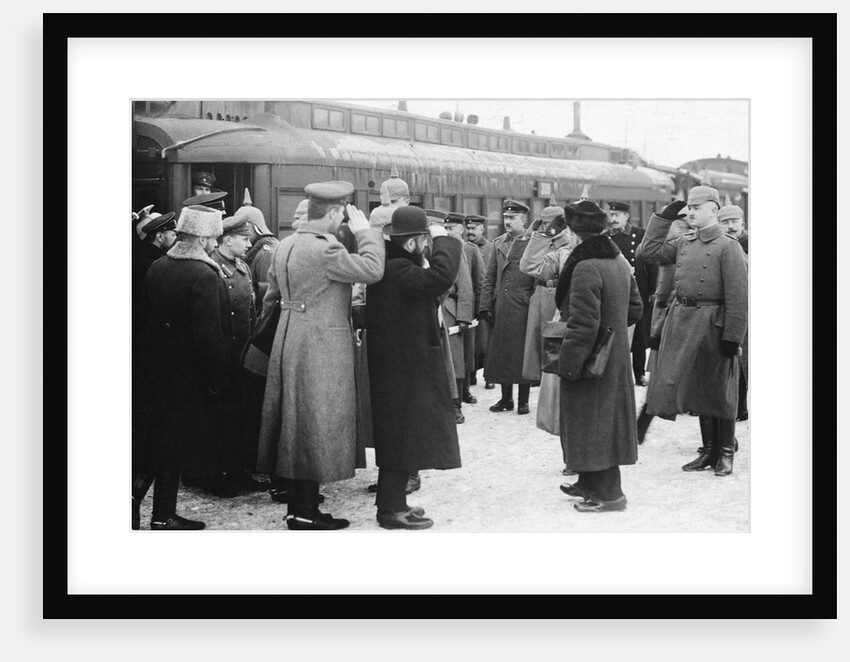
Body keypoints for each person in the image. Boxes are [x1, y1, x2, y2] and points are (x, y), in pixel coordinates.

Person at [256, 181, 384, 530]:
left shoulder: (286, 244)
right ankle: (304, 512)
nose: (343, 218)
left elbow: (271, 299)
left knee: (294, 424)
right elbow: (372, 270)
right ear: (331, 212)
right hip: (320, 346)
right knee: (314, 423)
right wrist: (367, 232)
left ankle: (300, 506)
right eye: (342, 212)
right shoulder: (325, 249)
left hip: (288, 337)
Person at [636, 187, 748, 476]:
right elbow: (646, 251)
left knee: (719, 389)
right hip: (683, 321)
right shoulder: (685, 242)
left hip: (713, 323)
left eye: (696, 208)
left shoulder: (729, 246)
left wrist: (732, 336)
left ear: (714, 209)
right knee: (698, 389)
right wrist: (662, 218)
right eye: (689, 209)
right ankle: (708, 450)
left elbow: (738, 296)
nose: (690, 213)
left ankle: (725, 453)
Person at [135, 204, 231, 529]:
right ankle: (161, 516)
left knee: (156, 445)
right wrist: (218, 381)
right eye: (215, 238)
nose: (217, 244)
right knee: (172, 448)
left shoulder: (159, 266)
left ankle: (149, 509)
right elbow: (209, 339)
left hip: (154, 373)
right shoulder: (204, 275)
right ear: (203, 239)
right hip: (188, 380)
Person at [366, 206, 462, 529]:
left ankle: (395, 503)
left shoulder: (395, 266)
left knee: (402, 440)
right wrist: (444, 238)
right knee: (399, 440)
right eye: (424, 240)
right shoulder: (398, 270)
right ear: (411, 244)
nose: (427, 247)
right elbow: (440, 276)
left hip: (399, 368)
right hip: (400, 371)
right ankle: (391, 511)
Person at [555, 200, 643, 512]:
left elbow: (583, 324)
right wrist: (614, 327)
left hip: (591, 359)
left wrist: (568, 363)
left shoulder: (585, 266)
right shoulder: (617, 260)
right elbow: (636, 308)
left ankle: (609, 495)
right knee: (601, 421)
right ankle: (588, 482)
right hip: (615, 354)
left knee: (592, 423)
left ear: (573, 230)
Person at [208, 213, 262, 496]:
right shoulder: (212, 268)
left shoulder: (242, 266)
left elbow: (251, 310)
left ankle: (240, 471)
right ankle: (220, 476)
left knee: (242, 415)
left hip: (242, 353)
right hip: (223, 354)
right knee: (222, 418)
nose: (248, 242)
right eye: (243, 238)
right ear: (227, 239)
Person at [130, 208, 177, 528]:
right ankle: (148, 509)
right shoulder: (154, 266)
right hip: (154, 363)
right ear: (159, 236)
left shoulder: (137, 258)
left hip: (139, 360)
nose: (175, 238)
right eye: (171, 234)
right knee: (157, 439)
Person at [635, 211, 690, 444]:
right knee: (662, 380)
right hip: (671, 323)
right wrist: (657, 330)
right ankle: (639, 427)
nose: (678, 233)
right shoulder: (671, 254)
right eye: (677, 228)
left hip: (685, 322)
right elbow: (663, 297)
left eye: (681, 228)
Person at [478, 200, 536, 415]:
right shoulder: (499, 243)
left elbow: (536, 277)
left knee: (522, 353)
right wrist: (485, 305)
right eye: (505, 218)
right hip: (501, 305)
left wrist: (531, 300)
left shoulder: (533, 243)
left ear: (523, 220)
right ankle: (506, 399)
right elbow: (489, 277)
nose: (507, 221)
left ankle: (523, 401)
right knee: (502, 352)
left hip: (523, 306)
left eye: (512, 218)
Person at [426, 210, 475, 424]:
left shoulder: (453, 249)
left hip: (449, 308)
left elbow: (465, 284)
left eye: (444, 228)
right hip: (428, 306)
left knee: (454, 360)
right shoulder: (420, 249)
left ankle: (456, 405)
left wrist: (464, 316)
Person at [519, 202, 575, 383]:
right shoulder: (540, 239)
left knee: (554, 349)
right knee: (539, 350)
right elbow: (525, 265)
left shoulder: (567, 245)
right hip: (541, 293)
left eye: (550, 224)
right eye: (543, 223)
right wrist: (535, 236)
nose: (546, 227)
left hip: (557, 298)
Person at [605, 201, 657, 386]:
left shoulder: (640, 235)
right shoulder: (606, 238)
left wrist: (652, 291)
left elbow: (651, 264)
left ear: (627, 216)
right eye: (611, 215)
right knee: (616, 332)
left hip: (638, 291)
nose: (613, 219)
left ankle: (639, 373)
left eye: (617, 215)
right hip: (614, 291)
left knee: (640, 335)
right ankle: (618, 373)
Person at [447, 212, 485, 405]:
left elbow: (478, 282)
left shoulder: (469, 250)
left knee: (465, 355)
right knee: (454, 354)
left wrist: (477, 311)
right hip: (449, 307)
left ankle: (464, 391)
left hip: (464, 306)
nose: (446, 232)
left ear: (459, 230)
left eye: (450, 228)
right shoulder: (440, 248)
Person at [718, 204, 749, 421]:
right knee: (736, 359)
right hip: (734, 309)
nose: (731, 226)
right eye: (725, 222)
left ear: (742, 223)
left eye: (734, 222)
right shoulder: (724, 246)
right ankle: (740, 408)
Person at [465, 214, 495, 388]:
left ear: (482, 229)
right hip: (469, 300)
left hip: (484, 301)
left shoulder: (491, 248)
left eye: (473, 228)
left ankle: (488, 377)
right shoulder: (463, 248)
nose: (470, 232)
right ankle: (471, 375)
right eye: (468, 228)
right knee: (471, 342)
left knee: (484, 343)